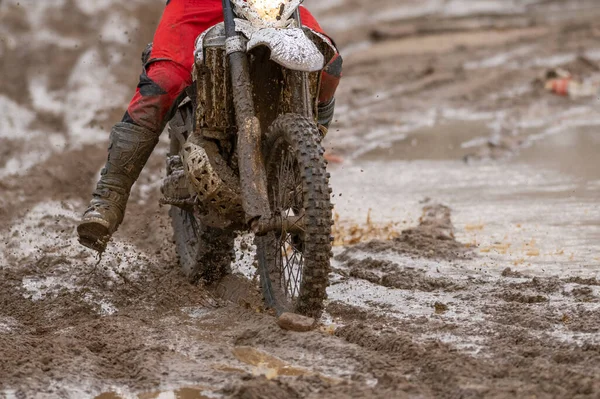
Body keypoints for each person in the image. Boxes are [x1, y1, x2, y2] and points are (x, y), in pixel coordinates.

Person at [77, 0, 343, 253]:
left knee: (327, 62)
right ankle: (108, 198)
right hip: (199, 6)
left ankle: (305, 171)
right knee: (163, 81)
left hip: (270, 7)